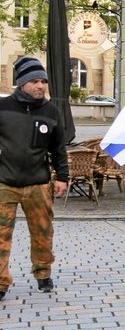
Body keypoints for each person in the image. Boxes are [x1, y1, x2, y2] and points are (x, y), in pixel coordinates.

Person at [0, 57, 68, 300]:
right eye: (35, 82)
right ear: (22, 83)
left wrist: (62, 177)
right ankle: (1, 283)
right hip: (5, 183)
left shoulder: (50, 111)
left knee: (42, 233)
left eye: (43, 82)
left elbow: (58, 148)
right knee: (1, 236)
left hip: (38, 184)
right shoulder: (3, 107)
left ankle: (43, 273)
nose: (41, 86)